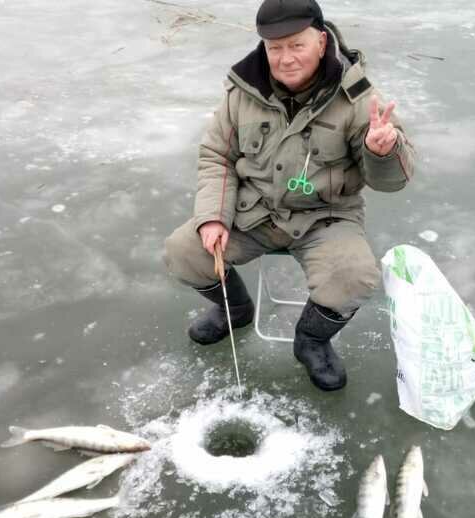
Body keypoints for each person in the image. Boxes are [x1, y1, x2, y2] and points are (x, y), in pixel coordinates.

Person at [164, 0, 416, 392]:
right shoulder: (242, 91)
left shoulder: (359, 99)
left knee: (353, 277)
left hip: (326, 216)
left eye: (297, 45)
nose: (286, 58)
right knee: (184, 251)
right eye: (275, 48)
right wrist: (214, 216)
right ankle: (235, 309)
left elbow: (392, 182)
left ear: (321, 41)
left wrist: (382, 151)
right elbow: (217, 156)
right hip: (254, 211)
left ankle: (312, 340)